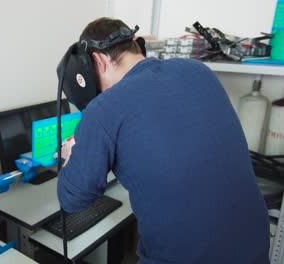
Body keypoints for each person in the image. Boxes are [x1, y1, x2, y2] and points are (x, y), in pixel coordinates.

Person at [57, 17, 270, 264]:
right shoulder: (198, 70)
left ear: (97, 60)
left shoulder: (103, 108)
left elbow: (73, 199)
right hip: (254, 244)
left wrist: (73, 156)